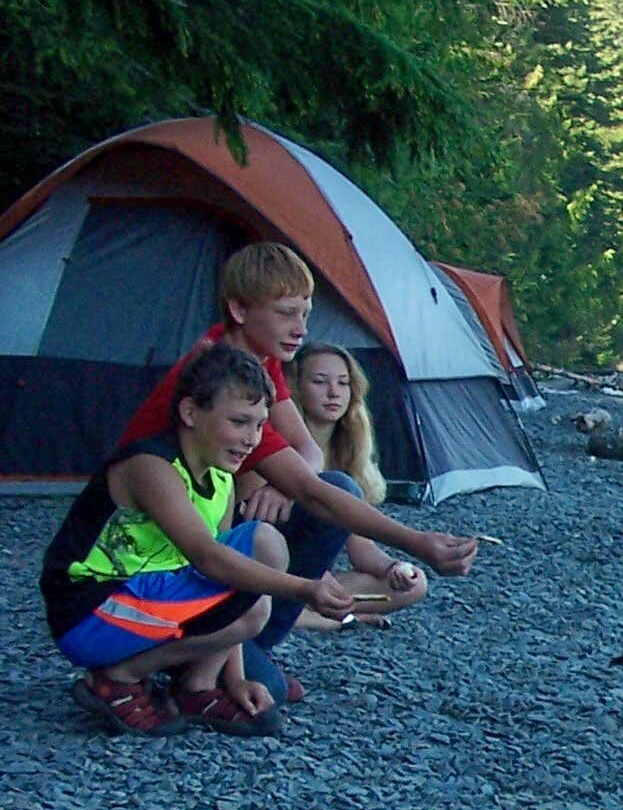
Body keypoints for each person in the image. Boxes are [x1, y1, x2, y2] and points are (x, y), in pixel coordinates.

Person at [119, 242, 478, 699]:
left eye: (306, 314)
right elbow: (310, 490)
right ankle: (188, 657)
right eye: (287, 313)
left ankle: (244, 645)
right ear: (240, 310)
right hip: (150, 557)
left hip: (194, 539)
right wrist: (417, 542)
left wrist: (283, 484)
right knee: (317, 503)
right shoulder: (222, 378)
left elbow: (308, 452)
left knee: (334, 487)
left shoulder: (258, 360)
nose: (301, 329)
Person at [42, 346, 352, 737]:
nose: (252, 439)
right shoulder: (151, 466)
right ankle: (118, 678)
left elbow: (231, 583)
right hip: (89, 611)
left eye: (259, 425)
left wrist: (235, 678)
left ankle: (198, 687)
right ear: (190, 413)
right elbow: (208, 559)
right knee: (261, 555)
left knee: (256, 588)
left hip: (142, 602)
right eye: (239, 422)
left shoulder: (221, 480)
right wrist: (306, 588)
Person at [286, 342, 427, 630]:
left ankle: (313, 612)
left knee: (415, 584)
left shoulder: (346, 455)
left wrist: (393, 568)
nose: (333, 392)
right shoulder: (280, 450)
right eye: (320, 382)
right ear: (296, 388)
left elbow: (360, 546)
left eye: (343, 383)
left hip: (315, 580)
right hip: (274, 572)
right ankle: (327, 619)